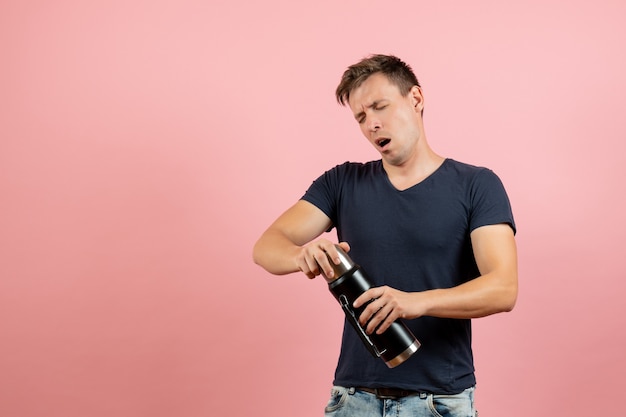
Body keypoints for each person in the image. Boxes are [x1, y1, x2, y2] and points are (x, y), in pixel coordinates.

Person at [253, 54, 517, 417]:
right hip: (352, 399)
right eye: (361, 117)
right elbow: (267, 246)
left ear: (416, 99)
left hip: (437, 402)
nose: (372, 124)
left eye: (380, 107)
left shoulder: (477, 185)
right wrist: (301, 256)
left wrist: (416, 302)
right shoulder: (342, 182)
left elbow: (503, 288)